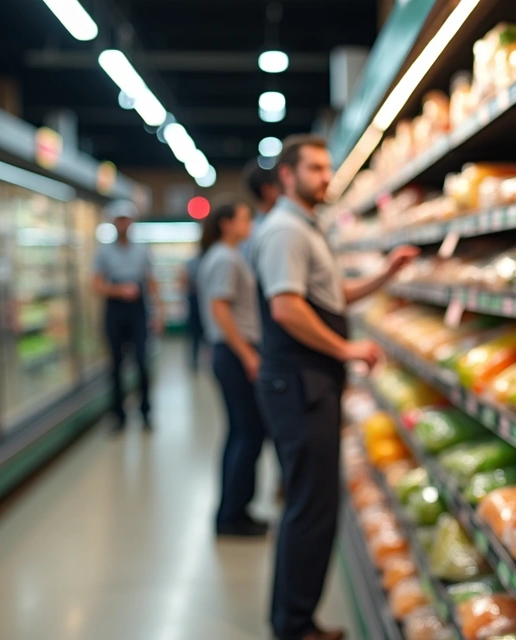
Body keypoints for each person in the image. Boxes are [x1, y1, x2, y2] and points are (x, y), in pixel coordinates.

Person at [247, 134, 418, 640]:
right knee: (310, 507)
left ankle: (294, 618)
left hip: (309, 383)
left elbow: (330, 294)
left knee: (312, 504)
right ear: (286, 176)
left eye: (328, 169)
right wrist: (346, 350)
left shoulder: (306, 227)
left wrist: (385, 274)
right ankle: (295, 624)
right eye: (316, 169)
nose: (327, 178)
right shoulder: (285, 231)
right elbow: (286, 307)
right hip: (299, 384)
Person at [197, 202, 268, 538]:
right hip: (235, 353)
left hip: (230, 353)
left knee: (240, 433)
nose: (250, 221)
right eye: (244, 216)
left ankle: (234, 510)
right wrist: (248, 354)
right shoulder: (225, 258)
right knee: (248, 433)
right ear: (226, 224)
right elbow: (219, 308)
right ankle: (233, 516)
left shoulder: (225, 255)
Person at [92, 205, 162, 431]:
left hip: (138, 310)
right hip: (115, 309)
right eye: (119, 220)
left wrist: (159, 311)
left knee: (142, 361)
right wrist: (119, 290)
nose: (123, 224)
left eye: (126, 219)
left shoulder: (142, 250)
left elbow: (151, 281)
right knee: (116, 364)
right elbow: (96, 284)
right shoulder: (103, 252)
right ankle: (118, 416)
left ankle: (145, 412)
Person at [180, 254, 204, 372]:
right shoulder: (197, 261)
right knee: (196, 332)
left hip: (197, 298)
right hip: (196, 299)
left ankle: (197, 360)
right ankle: (195, 360)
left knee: (196, 333)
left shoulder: (192, 262)